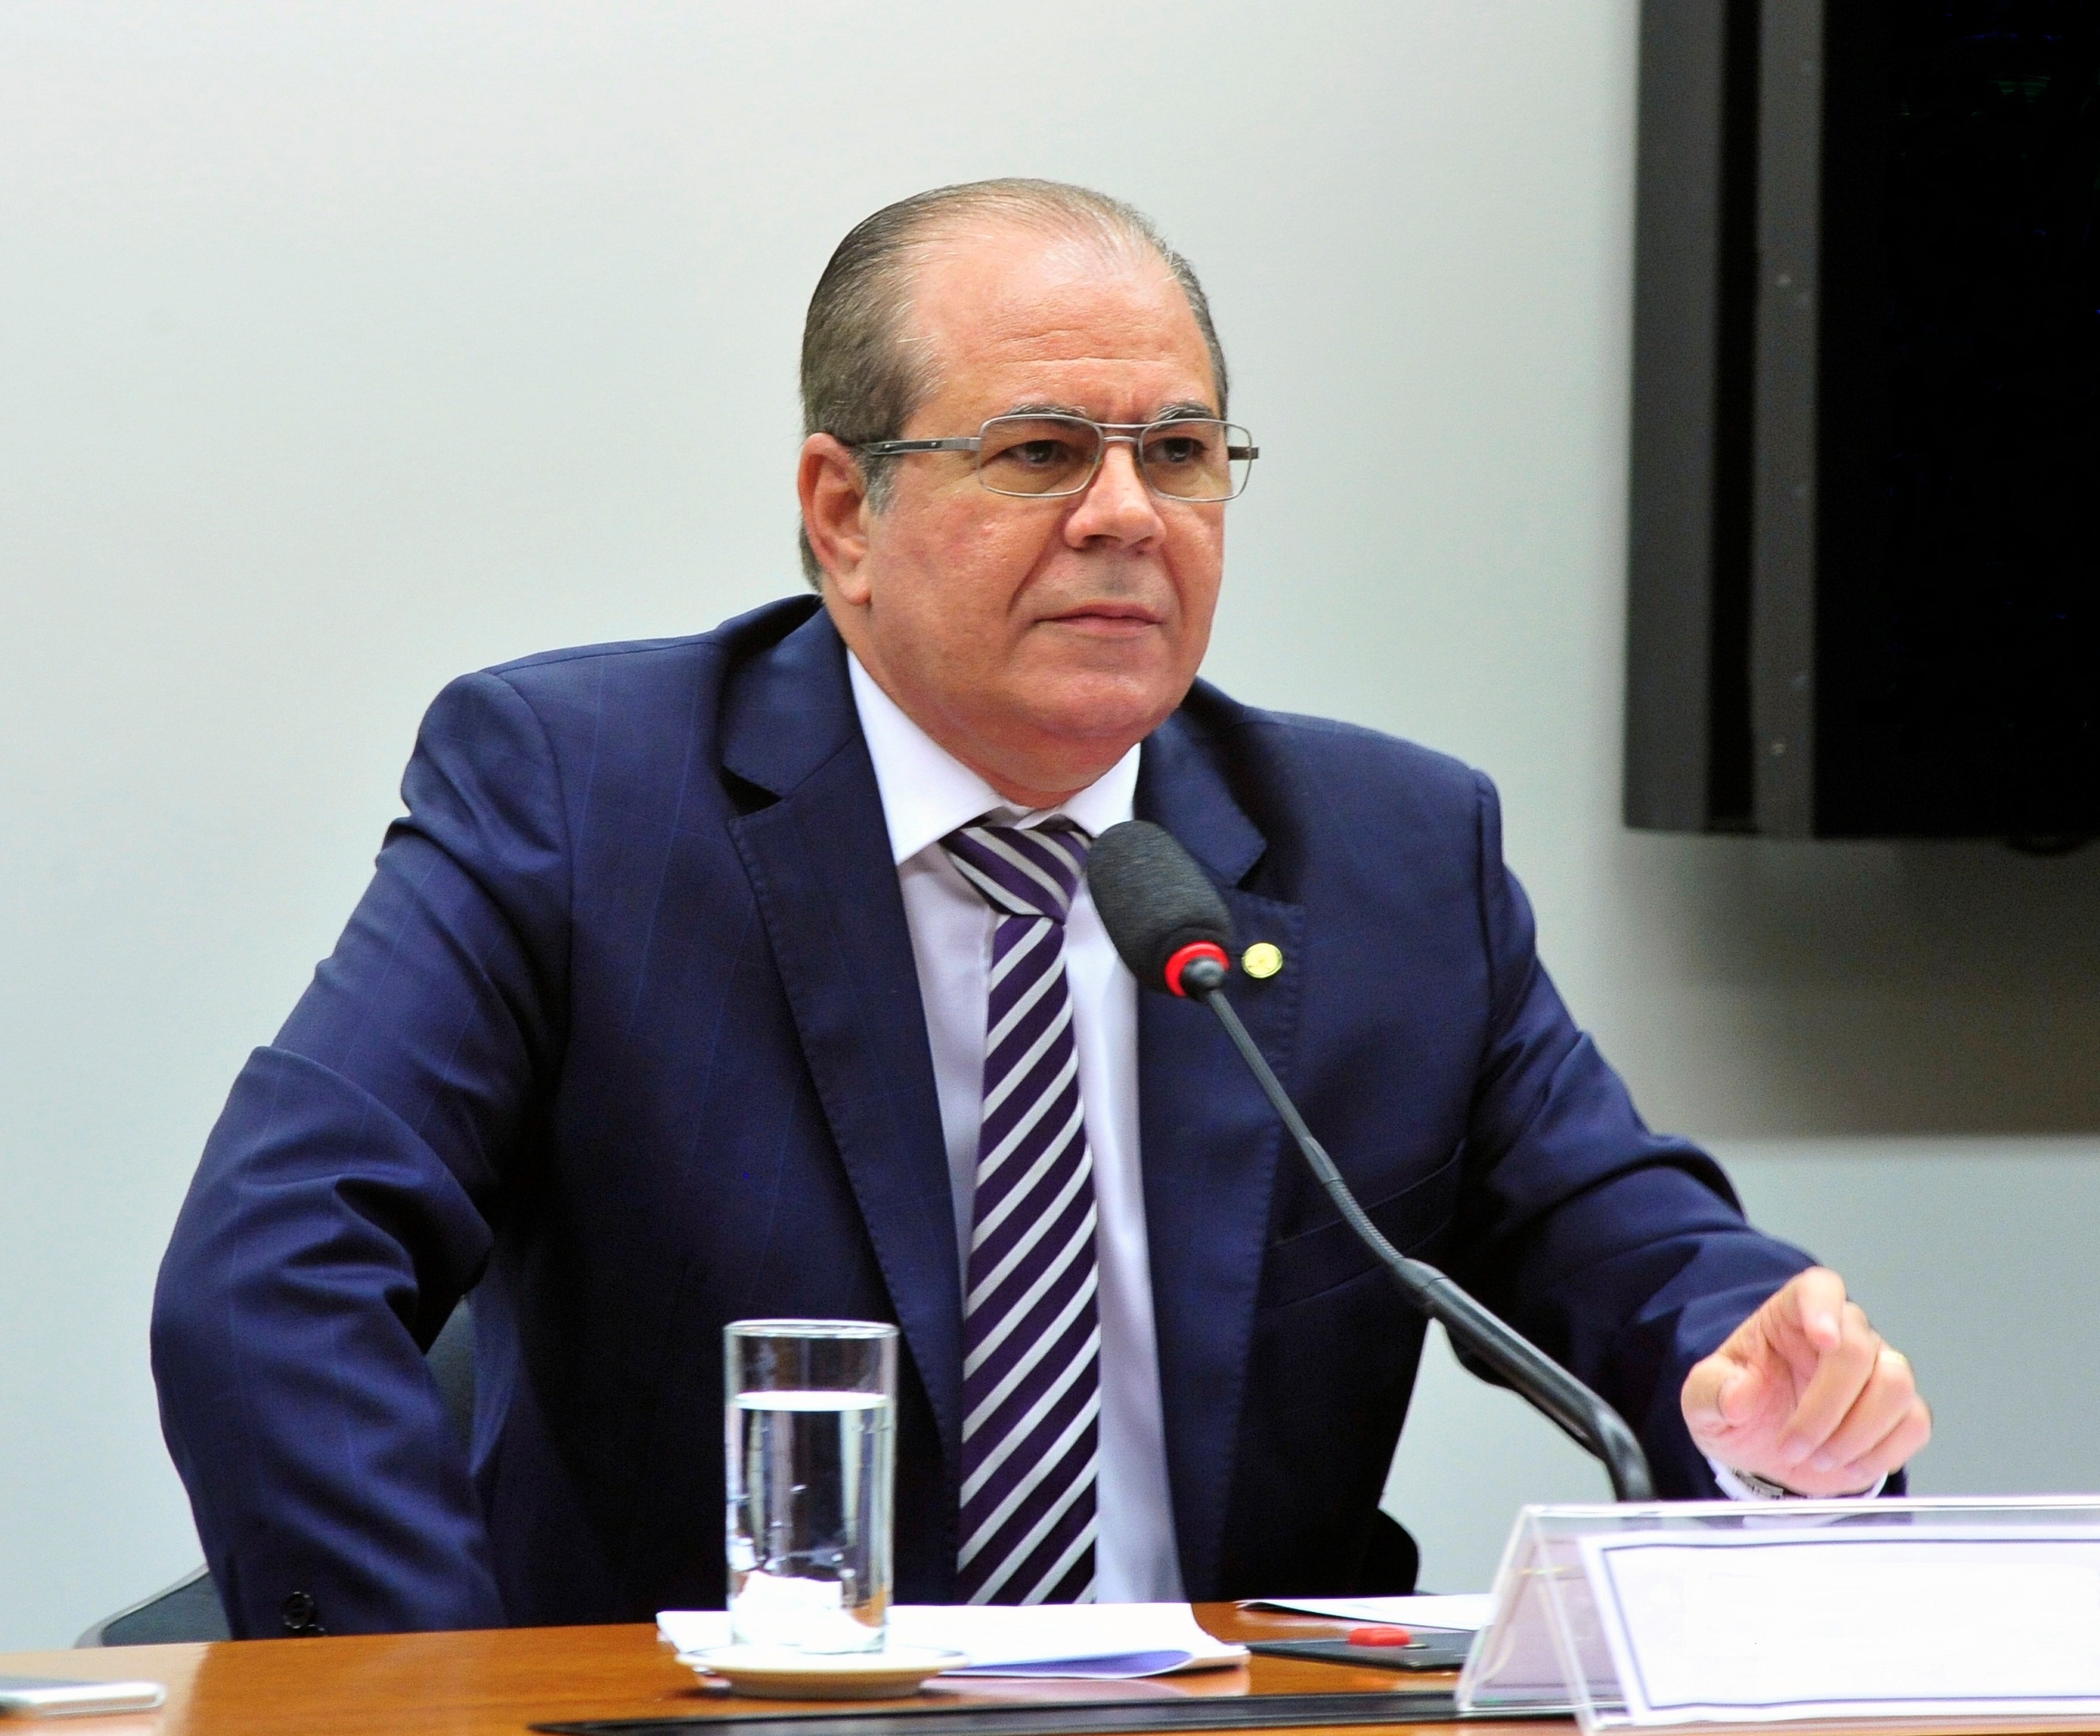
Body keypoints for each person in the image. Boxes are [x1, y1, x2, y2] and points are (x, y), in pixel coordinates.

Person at [152, 180, 1930, 1638]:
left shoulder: (1389, 855)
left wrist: (1771, 1394)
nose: (1125, 514)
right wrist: (432, 1689)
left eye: (1182, 450)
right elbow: (271, 1269)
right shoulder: (584, 796)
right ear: (844, 512)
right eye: (1038, 450)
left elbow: (1642, 1256)